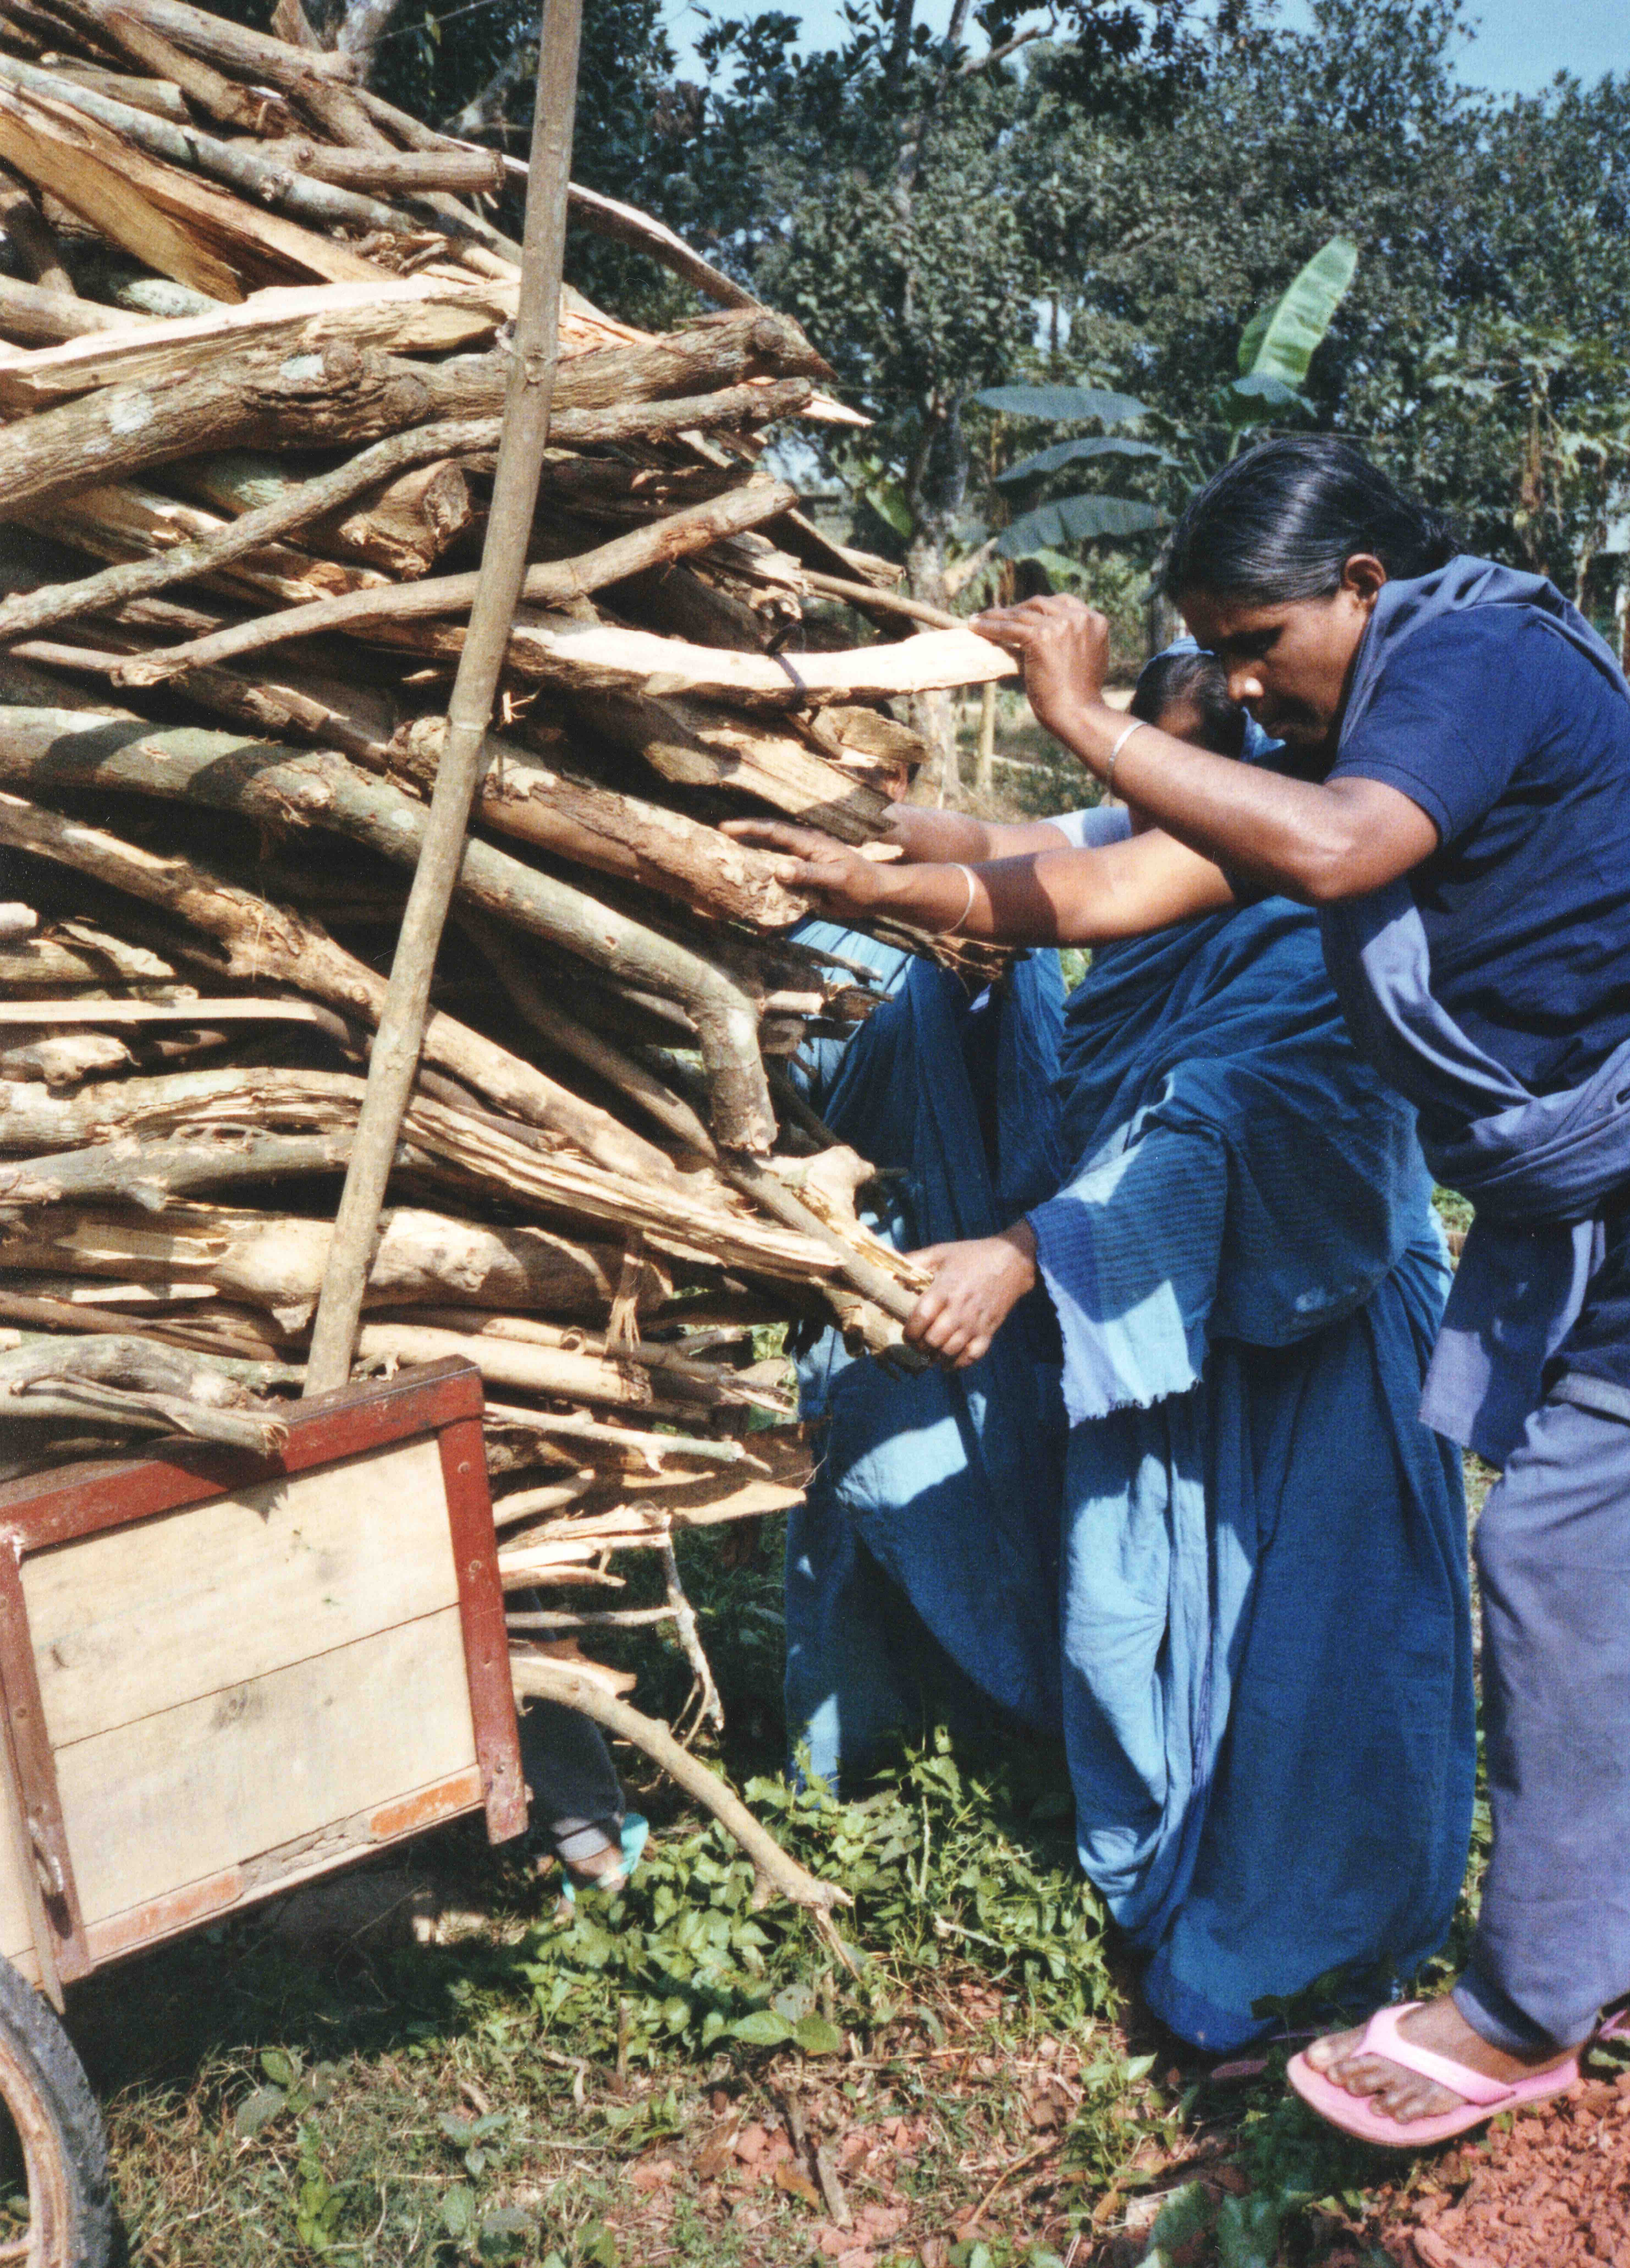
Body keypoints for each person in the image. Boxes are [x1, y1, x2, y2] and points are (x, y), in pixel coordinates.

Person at [727, 435, 1630, 2145]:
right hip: (1575, 1211)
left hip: (1578, 1195)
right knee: (1557, 1560)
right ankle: (1551, 1975)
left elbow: (1336, 851)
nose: (1239, 687)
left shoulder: (1473, 658)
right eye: (1210, 656)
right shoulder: (1338, 744)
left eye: (1251, 645)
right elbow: (1098, 871)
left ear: (1360, 584)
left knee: (1544, 1561)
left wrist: (1086, 713)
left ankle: (1522, 2001)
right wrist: (849, 858)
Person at [781, 649, 1471, 2053]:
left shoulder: (1325, 864)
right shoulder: (1162, 836)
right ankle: (1167, 1860)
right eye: (1135, 779)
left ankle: (1302, 1943)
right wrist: (845, 838)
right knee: (1137, 1620)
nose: (1150, 816)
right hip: (1174, 1332)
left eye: (1178, 781)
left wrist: (1027, 1253)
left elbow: (1243, 1112)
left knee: (1315, 1656)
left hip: (1328, 1333)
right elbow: (1012, 847)